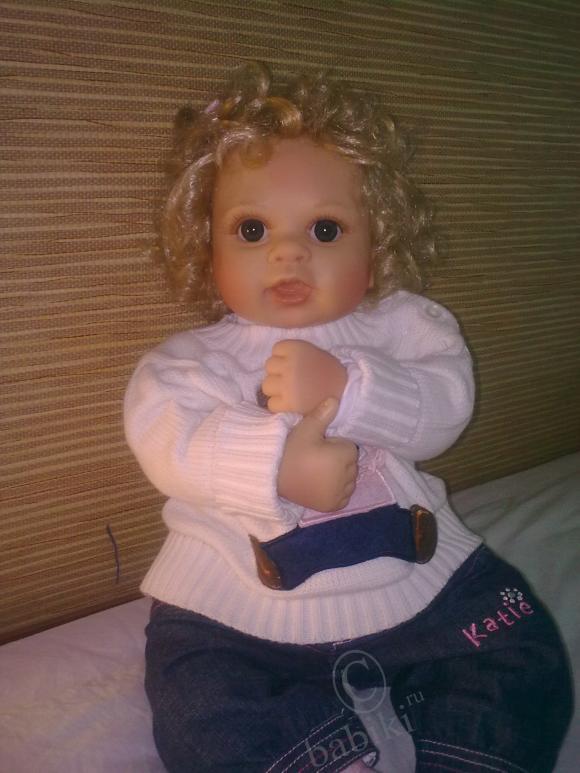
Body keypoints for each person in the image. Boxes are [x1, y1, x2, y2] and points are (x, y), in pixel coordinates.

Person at [124, 62, 572, 773]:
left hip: (426, 590)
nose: (289, 251)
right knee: (198, 699)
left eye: (326, 227)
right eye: (251, 228)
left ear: (376, 243)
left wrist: (351, 385)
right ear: (207, 251)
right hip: (233, 612)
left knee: (518, 649)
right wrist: (277, 466)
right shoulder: (186, 364)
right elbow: (165, 439)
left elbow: (446, 404)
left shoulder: (404, 326)